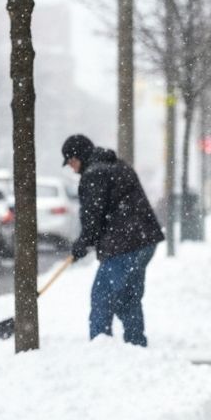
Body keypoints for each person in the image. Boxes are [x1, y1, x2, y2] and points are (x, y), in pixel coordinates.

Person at [61, 134, 165, 347]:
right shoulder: (115, 165)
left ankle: (101, 346)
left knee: (102, 297)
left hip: (125, 244)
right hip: (144, 240)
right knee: (128, 296)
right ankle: (136, 344)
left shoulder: (94, 174)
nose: (71, 168)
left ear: (79, 156)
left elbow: (93, 215)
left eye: (71, 161)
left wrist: (83, 243)